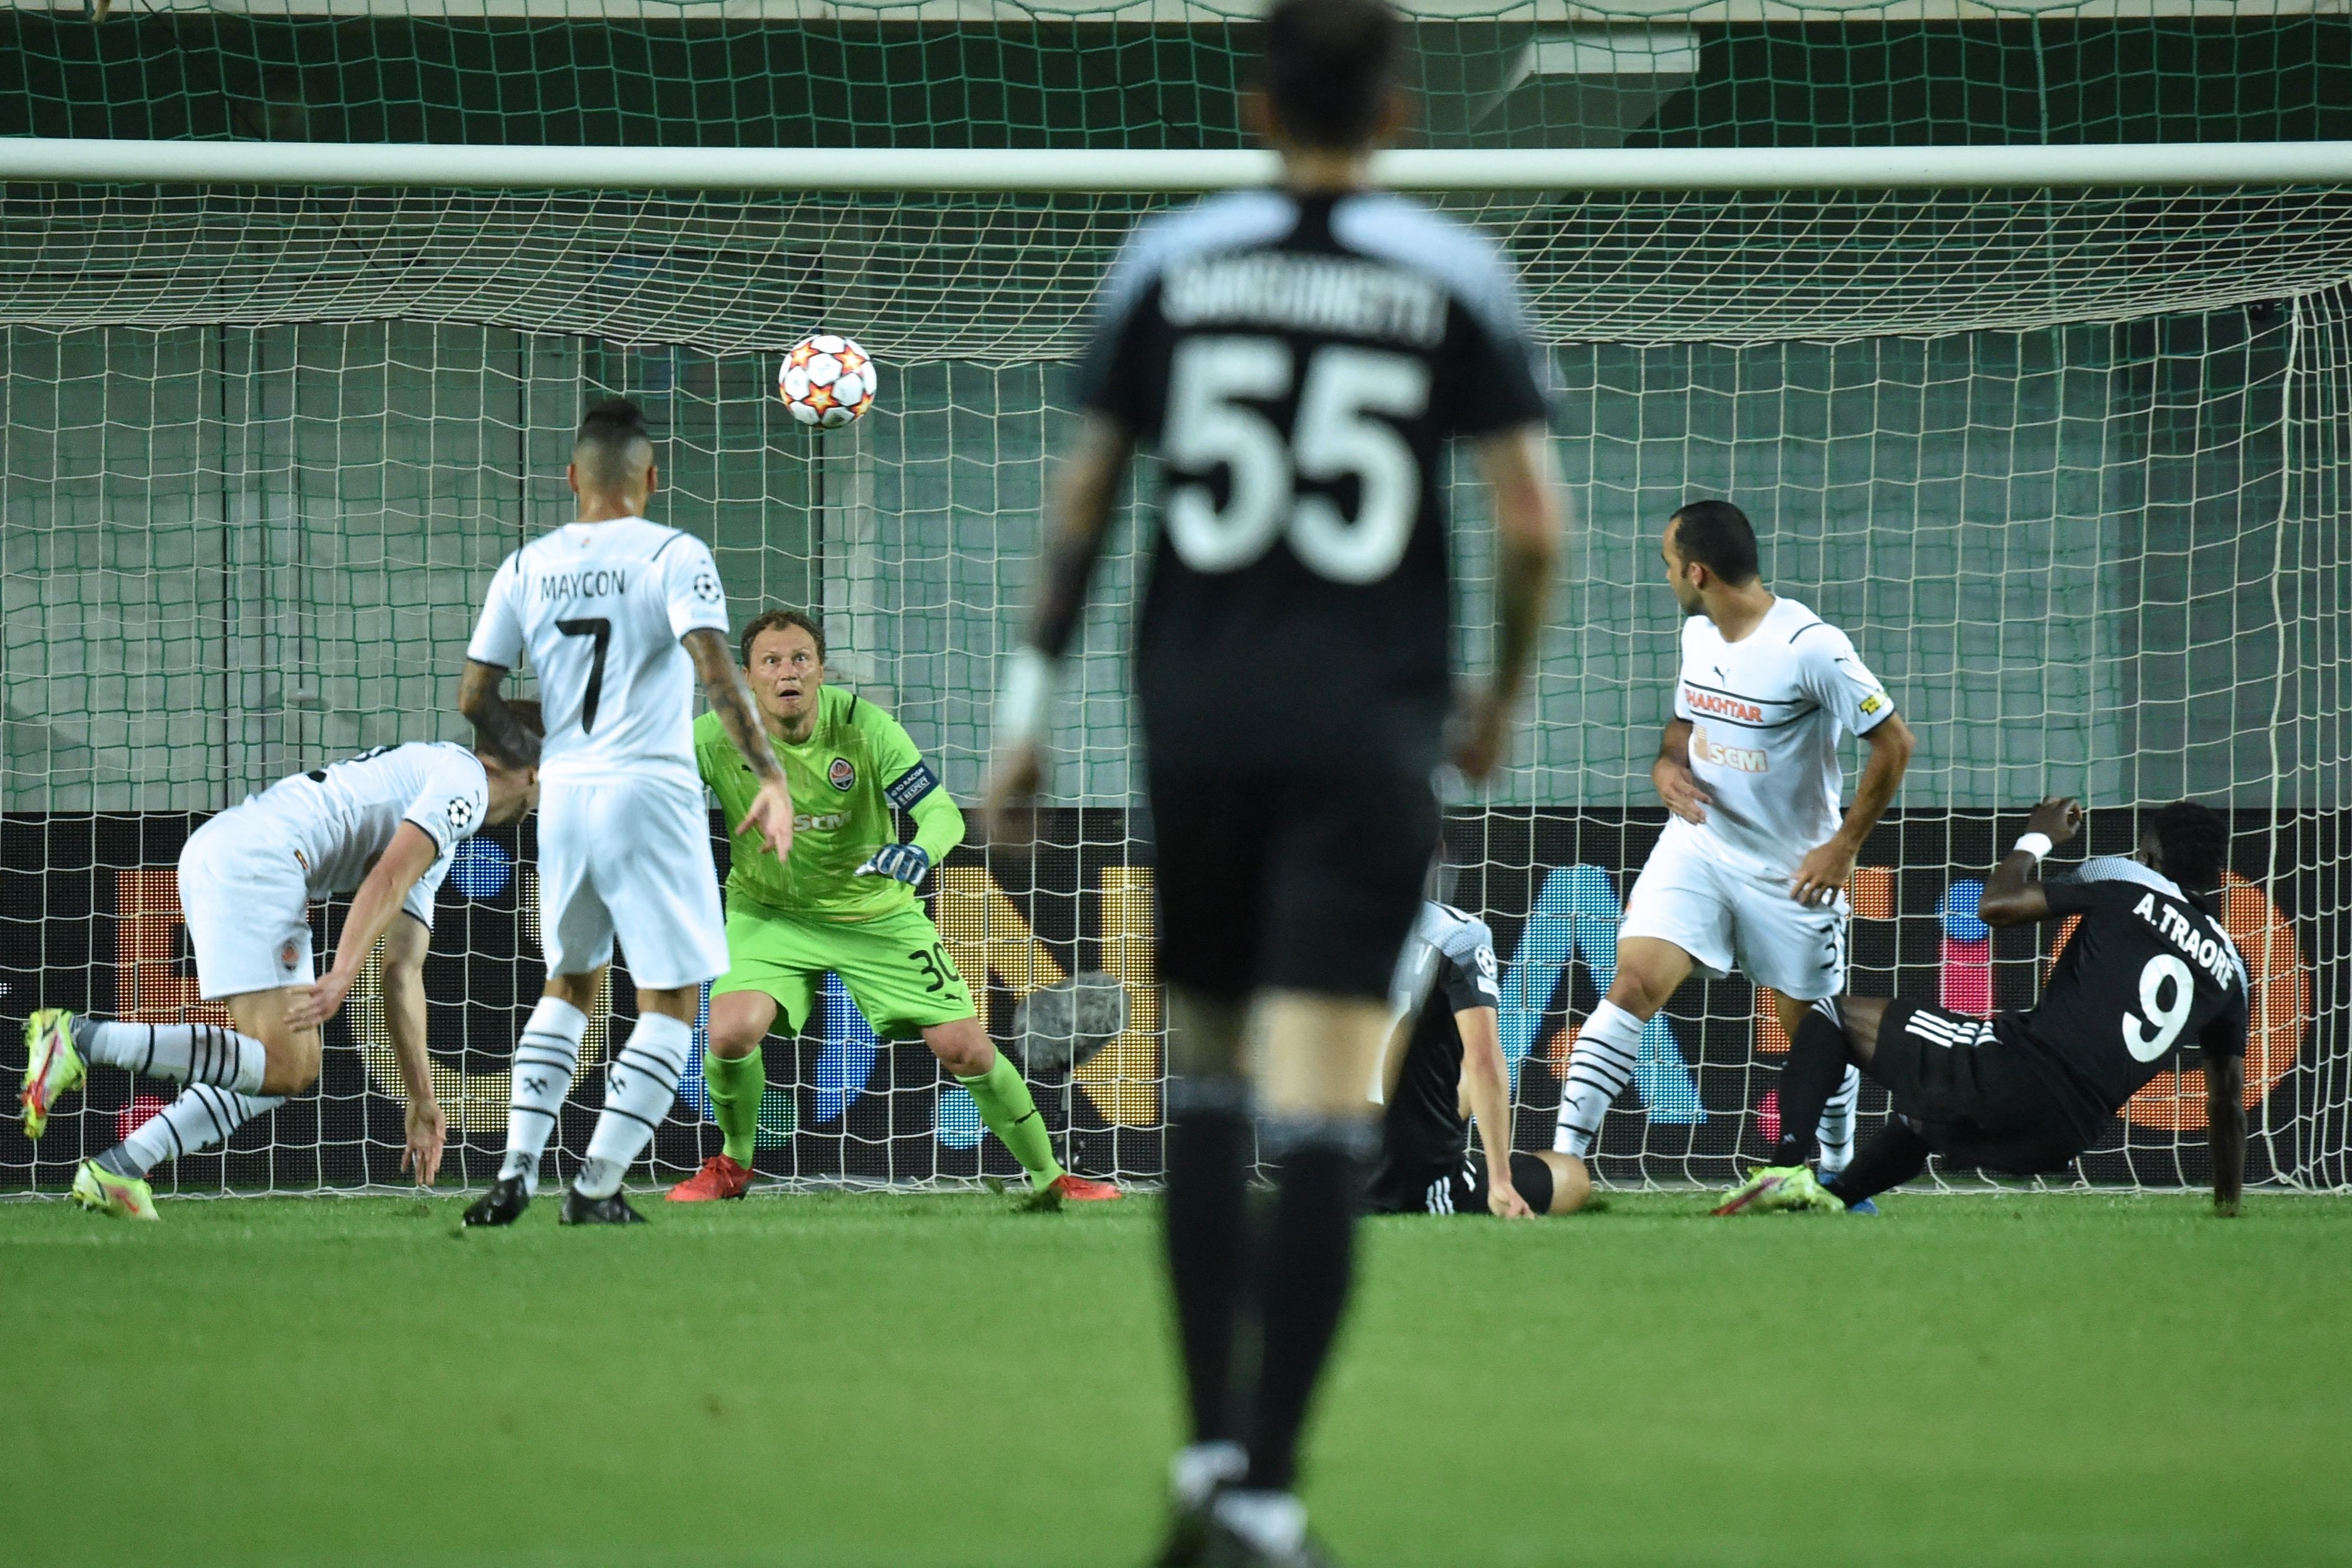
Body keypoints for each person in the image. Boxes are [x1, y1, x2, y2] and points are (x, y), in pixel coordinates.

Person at [983, 0, 1565, 1557]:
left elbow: (1087, 498)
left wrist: (1023, 710)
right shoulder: (1449, 274)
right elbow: (1527, 521)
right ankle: (1268, 1485)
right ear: (1397, 114)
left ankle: (1198, 1463)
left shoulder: (1170, 260)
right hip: (1365, 734)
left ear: (1254, 106)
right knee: (1320, 1106)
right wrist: (1497, 694)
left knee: (1213, 1090)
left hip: (1204, 723)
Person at [456, 396, 795, 1226]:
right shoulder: (674, 553)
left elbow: (476, 697)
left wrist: (539, 764)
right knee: (672, 999)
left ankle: (513, 1174)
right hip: (649, 789)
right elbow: (716, 672)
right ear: (652, 476)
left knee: (568, 981)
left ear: (573, 478)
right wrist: (769, 776)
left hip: (566, 794)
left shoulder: (525, 566)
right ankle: (597, 1186)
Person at [666, 607, 1118, 1205]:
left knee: (966, 1048)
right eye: (770, 662)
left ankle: (1050, 1177)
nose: (787, 672)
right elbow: (648, 789)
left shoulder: (864, 727)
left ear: (821, 670)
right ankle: (733, 1165)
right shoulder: (712, 738)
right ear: (748, 678)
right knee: (727, 1035)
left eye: (800, 658)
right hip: (770, 915)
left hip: (876, 916)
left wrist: (917, 852)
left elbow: (942, 813)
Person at [18, 724, 540, 1219]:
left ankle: (119, 1168)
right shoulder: (464, 784)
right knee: (287, 1066)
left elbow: (402, 970)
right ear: (536, 771)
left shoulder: (439, 815)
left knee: (285, 1068)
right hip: (259, 863)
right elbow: (384, 878)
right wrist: (340, 973)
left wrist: (423, 1098)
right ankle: (82, 1040)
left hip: (239, 856)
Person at [1550, 498, 1914, 1190]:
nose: (1665, 578)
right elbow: (1683, 724)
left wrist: (1844, 845)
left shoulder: (1811, 646)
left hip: (1795, 869)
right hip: (1701, 846)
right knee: (1631, 983)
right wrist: (1665, 765)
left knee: (1816, 1029)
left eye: (1667, 565)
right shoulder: (1699, 636)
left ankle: (1837, 1173)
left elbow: (1895, 743)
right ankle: (1565, 1161)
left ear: (1698, 570)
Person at [1721, 796, 2249, 1217]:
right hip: (2066, 1137)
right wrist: (2227, 1205)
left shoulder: (2128, 886)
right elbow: (2226, 1104)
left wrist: (2037, 835)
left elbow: (1996, 907)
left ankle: (1785, 1168)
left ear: (2150, 859)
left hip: (2020, 1075)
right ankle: (1839, 1198)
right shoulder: (2232, 971)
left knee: (1830, 1016)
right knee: (1933, 1108)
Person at [1366, 901, 1588, 1219]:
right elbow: (1483, 1060)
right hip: (1411, 1181)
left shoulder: (1303, 922)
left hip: (1328, 1172)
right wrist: (1501, 1181)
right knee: (1572, 1176)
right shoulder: (1455, 933)